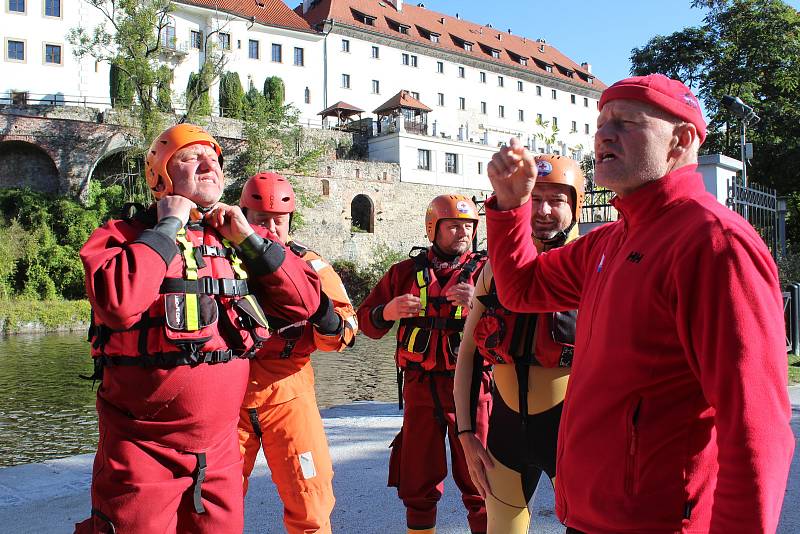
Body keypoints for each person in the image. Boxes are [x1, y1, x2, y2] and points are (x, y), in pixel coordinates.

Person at [485, 74, 794, 533]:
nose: (604, 134)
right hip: (591, 518)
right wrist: (511, 208)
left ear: (681, 140)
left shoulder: (714, 244)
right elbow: (521, 290)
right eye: (602, 123)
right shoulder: (610, 239)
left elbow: (756, 427)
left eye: (627, 123)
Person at [76, 124, 323, 534]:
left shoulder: (238, 237)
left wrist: (249, 239)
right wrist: (167, 226)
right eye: (191, 158)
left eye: (214, 159)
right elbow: (119, 303)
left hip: (221, 447)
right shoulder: (123, 234)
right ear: (160, 175)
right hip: (142, 444)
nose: (209, 164)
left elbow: (305, 303)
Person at [454, 154, 583, 533]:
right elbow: (467, 356)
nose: (542, 210)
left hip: (572, 437)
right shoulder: (495, 270)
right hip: (505, 437)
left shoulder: (593, 268)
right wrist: (466, 436)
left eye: (556, 200)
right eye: (534, 199)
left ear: (574, 205)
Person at [357, 194, 491, 534]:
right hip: (421, 387)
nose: (463, 232)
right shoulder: (403, 273)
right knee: (417, 482)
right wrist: (386, 312)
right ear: (434, 228)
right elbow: (366, 323)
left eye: (469, 226)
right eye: (454, 225)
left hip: (474, 388)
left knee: (482, 481)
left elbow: (518, 323)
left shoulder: (490, 272)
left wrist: (481, 303)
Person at [237, 172, 358, 534]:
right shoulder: (221, 259)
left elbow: (347, 330)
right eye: (260, 220)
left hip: (291, 391)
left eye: (279, 219)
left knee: (311, 501)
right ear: (243, 217)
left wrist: (323, 315)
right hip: (230, 392)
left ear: (291, 220)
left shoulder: (311, 265)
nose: (271, 228)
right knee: (211, 502)